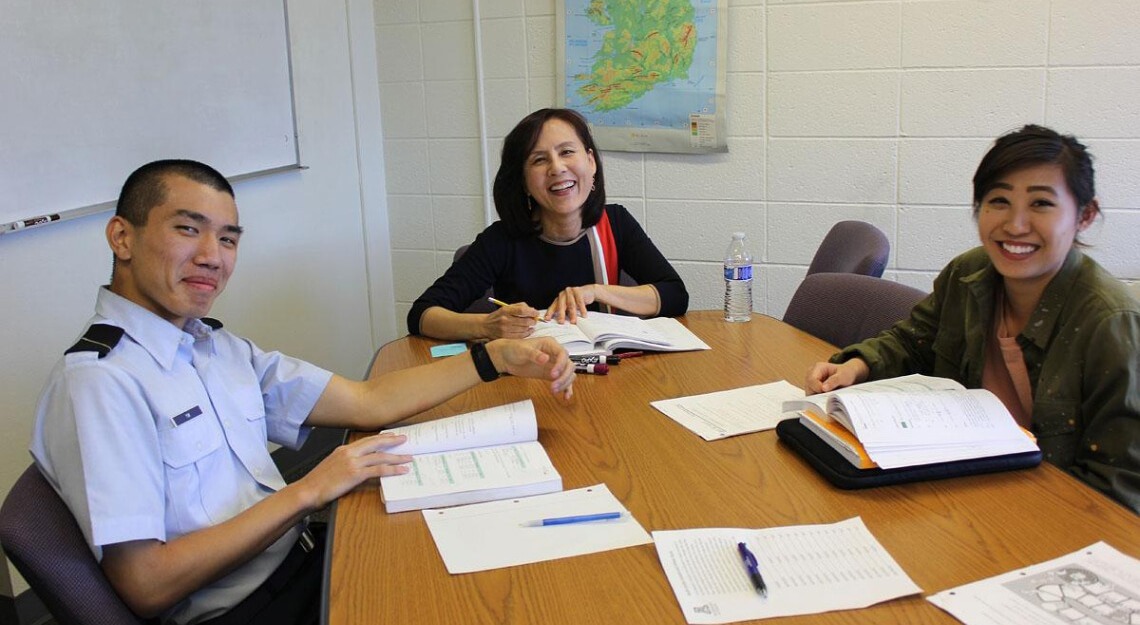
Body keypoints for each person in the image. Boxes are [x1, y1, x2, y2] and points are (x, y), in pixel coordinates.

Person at [29, 159, 577, 625]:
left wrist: (496, 358)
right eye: (188, 229)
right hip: (250, 610)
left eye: (227, 238)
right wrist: (309, 491)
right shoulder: (100, 383)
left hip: (305, 560)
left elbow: (367, 401)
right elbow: (146, 584)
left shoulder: (212, 347)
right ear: (122, 237)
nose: (212, 256)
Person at [805, 125, 1140, 514]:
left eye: (1041, 204)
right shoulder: (970, 274)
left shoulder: (1112, 324)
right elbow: (914, 340)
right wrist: (858, 365)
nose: (1015, 225)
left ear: (1085, 215)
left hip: (1044, 521)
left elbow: (1120, 490)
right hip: (960, 497)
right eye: (998, 201)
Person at [407, 107, 689, 340]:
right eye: (539, 160)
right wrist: (486, 326)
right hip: (528, 377)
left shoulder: (615, 223)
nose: (556, 168)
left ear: (590, 162)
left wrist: (596, 291)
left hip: (605, 371)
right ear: (524, 182)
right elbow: (422, 315)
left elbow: (675, 295)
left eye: (567, 152)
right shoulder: (502, 240)